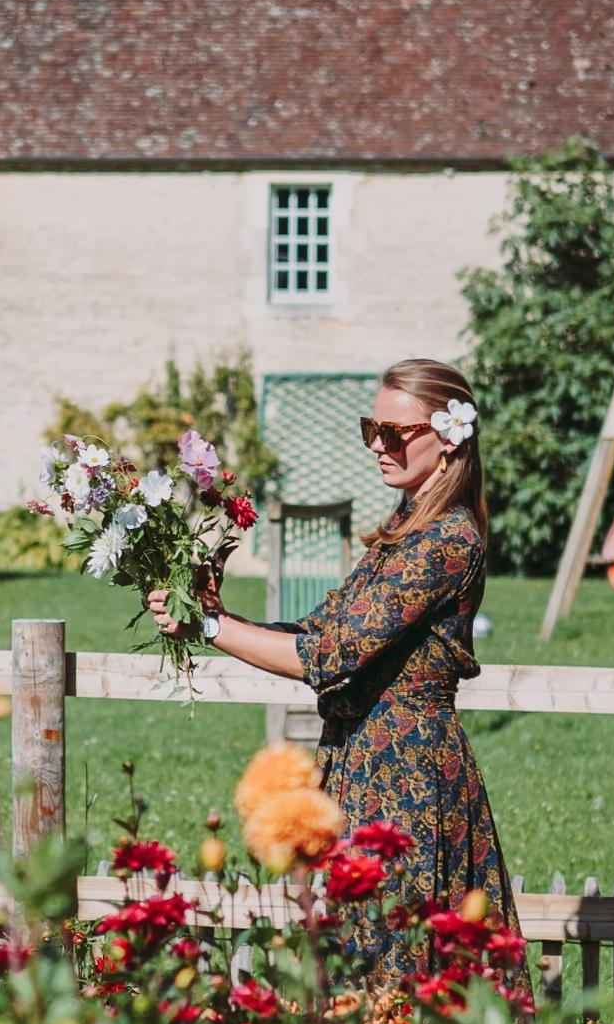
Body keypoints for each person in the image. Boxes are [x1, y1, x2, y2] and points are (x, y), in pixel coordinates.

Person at [146, 358, 513, 977]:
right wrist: (214, 611)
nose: (378, 444)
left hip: (408, 780)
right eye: (371, 426)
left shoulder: (448, 541)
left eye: (396, 432)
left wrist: (208, 628)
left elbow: (325, 657)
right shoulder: (405, 528)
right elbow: (318, 631)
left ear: (449, 439)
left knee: (398, 974)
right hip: (359, 764)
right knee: (351, 967)